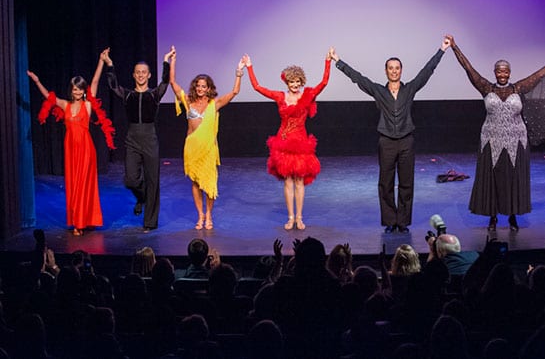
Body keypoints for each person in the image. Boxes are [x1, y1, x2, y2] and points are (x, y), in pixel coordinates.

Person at [447, 35, 545, 231]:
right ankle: (493, 217)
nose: (502, 73)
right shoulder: (485, 87)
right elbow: (468, 68)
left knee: (513, 179)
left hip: (516, 141)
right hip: (491, 140)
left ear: (509, 72)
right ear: (495, 72)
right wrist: (454, 47)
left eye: (505, 71)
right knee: (493, 179)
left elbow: (540, 74)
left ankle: (513, 216)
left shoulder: (519, 87)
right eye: (499, 71)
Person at [331, 36, 450, 233]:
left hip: (406, 142)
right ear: (386, 71)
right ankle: (389, 221)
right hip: (386, 142)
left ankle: (402, 222)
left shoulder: (409, 89)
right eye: (390, 68)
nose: (394, 71)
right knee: (385, 184)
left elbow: (427, 71)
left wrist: (442, 50)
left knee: (406, 183)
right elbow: (358, 78)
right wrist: (338, 61)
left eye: (397, 68)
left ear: (401, 71)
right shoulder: (379, 91)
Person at [245, 49, 332, 230]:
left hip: (300, 144)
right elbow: (257, 87)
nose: (294, 84)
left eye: (297, 82)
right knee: (288, 182)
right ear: (287, 81)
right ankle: (290, 217)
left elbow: (324, 82)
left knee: (299, 181)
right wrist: (249, 67)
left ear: (301, 82)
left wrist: (327, 61)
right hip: (283, 143)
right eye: (291, 81)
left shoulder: (306, 96)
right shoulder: (280, 96)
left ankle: (300, 217)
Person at [27, 55, 113, 236]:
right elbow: (48, 97)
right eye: (74, 89)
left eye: (80, 89)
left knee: (84, 184)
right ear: (71, 90)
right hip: (70, 151)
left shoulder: (88, 105)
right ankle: (79, 220)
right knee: (74, 185)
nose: (77, 92)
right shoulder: (65, 105)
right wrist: (37, 81)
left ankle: (81, 223)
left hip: (86, 150)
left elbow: (95, 81)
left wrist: (100, 61)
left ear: (83, 91)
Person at [169, 47, 247, 230]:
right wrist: (172, 59)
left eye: (204, 86)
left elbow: (235, 92)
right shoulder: (188, 101)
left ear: (209, 88)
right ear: (195, 87)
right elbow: (172, 82)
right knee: (196, 182)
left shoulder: (215, 103)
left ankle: (209, 214)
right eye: (198, 86)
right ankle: (200, 215)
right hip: (192, 147)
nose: (201, 89)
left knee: (210, 183)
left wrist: (239, 71)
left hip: (209, 149)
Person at [102, 47, 174, 232]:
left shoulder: (154, 94)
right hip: (132, 138)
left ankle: (150, 222)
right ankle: (142, 198)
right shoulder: (127, 94)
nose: (141, 75)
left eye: (144, 72)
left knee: (153, 180)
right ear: (133, 75)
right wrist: (109, 65)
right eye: (138, 73)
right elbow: (112, 86)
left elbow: (165, 82)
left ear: (149, 75)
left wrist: (166, 61)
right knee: (131, 179)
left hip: (150, 138)